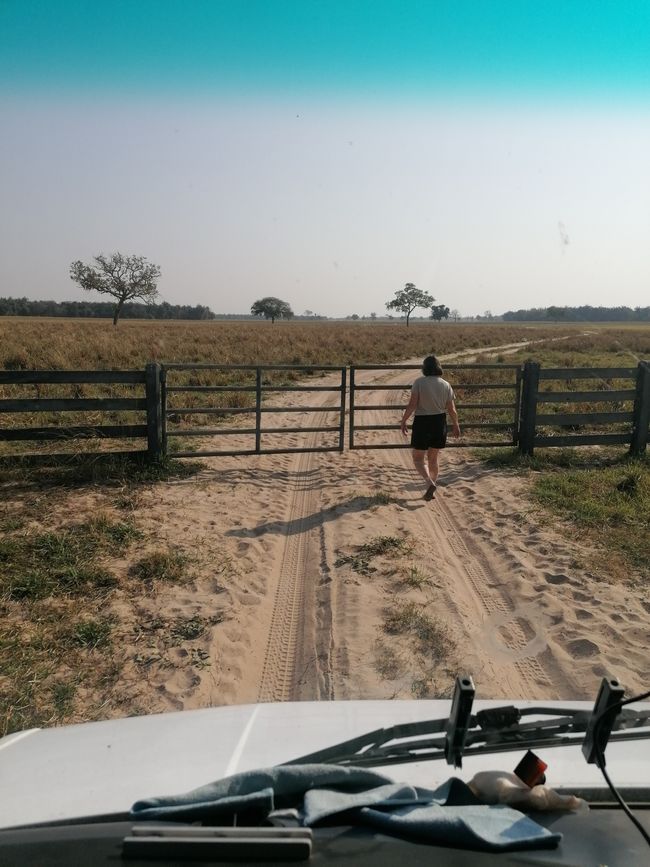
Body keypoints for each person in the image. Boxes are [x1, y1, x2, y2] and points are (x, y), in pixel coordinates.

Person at [400, 355, 460, 500]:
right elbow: (451, 409)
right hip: (439, 422)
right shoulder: (446, 384)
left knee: (418, 458)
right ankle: (431, 486)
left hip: (422, 422)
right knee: (433, 459)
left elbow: (412, 405)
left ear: (424, 368)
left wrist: (404, 420)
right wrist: (456, 424)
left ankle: (429, 482)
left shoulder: (419, 382)